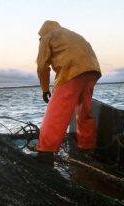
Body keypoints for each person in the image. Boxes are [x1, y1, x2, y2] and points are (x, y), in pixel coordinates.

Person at [35, 20, 101, 164]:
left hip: (71, 71)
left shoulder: (47, 36)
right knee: (85, 110)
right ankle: (87, 147)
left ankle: (45, 152)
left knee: (56, 112)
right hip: (92, 71)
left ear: (42, 33)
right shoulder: (74, 35)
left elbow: (42, 66)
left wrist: (45, 89)